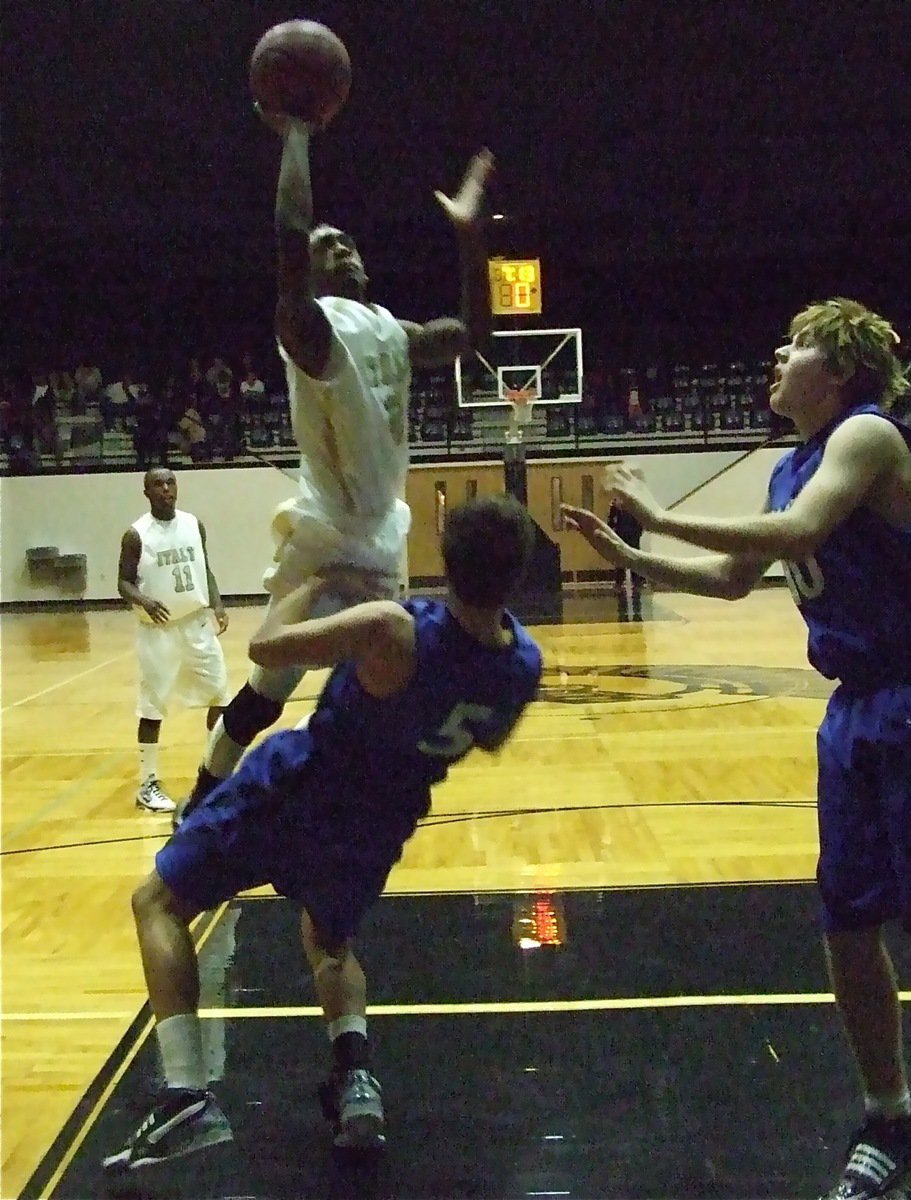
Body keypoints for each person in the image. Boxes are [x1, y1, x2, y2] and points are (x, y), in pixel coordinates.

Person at [563, 298, 911, 1200]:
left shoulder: (868, 437)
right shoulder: (793, 466)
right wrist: (629, 552)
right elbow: (735, 579)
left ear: (843, 369)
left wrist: (658, 516)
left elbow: (799, 537)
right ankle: (890, 1120)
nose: (777, 353)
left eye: (799, 343)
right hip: (858, 711)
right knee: (848, 927)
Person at [102, 494, 543, 1173]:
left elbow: (266, 644)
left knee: (156, 902)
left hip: (302, 785)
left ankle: (187, 1092)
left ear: (445, 560)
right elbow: (489, 737)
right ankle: (355, 1076)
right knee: (330, 940)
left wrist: (314, 581)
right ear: (517, 576)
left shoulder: (391, 629)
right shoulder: (523, 663)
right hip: (383, 817)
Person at [179, 110, 494, 821]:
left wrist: (472, 240)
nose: (341, 246)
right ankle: (203, 796)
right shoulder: (309, 331)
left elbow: (474, 336)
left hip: (380, 531)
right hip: (325, 539)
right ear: (309, 273)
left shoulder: (394, 330)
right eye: (327, 244)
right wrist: (295, 134)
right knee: (265, 696)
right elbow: (290, 240)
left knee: (388, 682)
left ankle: (351, 799)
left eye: (348, 242)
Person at [118, 468, 230, 812]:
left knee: (221, 698)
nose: (166, 489)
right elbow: (123, 583)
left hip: (196, 625)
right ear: (146, 491)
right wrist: (145, 600)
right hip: (160, 631)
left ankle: (218, 774)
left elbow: (204, 566)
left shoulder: (194, 524)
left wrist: (217, 602)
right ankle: (147, 783)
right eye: (158, 484)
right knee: (153, 708)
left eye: (170, 483)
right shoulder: (136, 535)